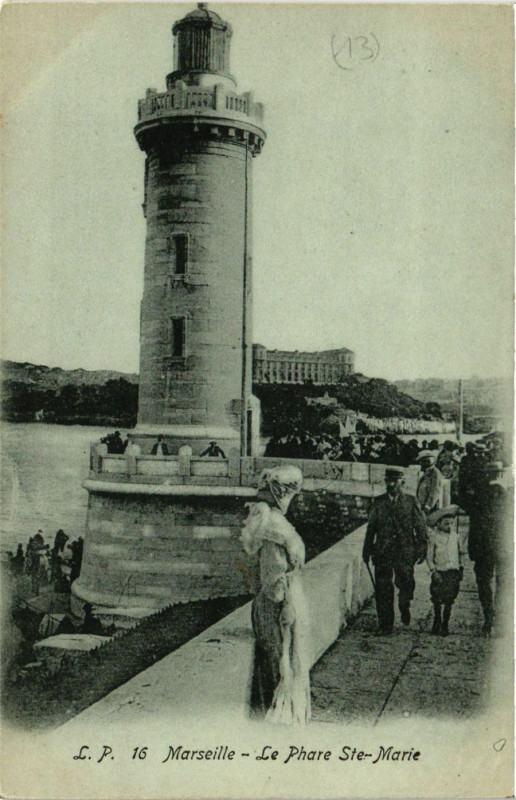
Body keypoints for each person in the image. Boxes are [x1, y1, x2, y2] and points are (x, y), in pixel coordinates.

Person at [242, 465, 310, 724]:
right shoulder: (279, 526)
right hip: (283, 599)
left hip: (274, 600)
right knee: (284, 659)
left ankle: (272, 714)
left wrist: (278, 599)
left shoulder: (270, 524)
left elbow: (273, 575)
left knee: (275, 660)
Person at [362, 467, 427, 634]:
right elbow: (371, 528)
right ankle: (386, 625)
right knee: (383, 589)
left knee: (406, 584)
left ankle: (404, 605)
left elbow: (420, 528)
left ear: (402, 483)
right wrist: (367, 549)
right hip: (383, 552)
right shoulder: (379, 502)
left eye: (394, 482)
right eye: (388, 481)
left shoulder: (411, 501)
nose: (390, 485)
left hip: (405, 552)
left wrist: (422, 547)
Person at [468, 460, 510, 636]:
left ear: (487, 474)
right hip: (504, 547)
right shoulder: (509, 496)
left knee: (484, 583)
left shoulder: (478, 495)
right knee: (503, 584)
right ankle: (499, 621)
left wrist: (471, 548)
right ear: (501, 474)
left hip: (482, 547)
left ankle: (488, 619)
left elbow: (474, 524)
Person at [426, 505, 466, 636]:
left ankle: (445, 624)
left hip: (452, 572)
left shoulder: (456, 537)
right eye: (445, 523)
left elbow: (460, 554)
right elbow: (429, 556)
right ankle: (437, 620)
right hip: (440, 572)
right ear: (438, 524)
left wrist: (461, 568)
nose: (449, 526)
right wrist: (433, 571)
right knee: (437, 598)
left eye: (450, 523)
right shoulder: (434, 538)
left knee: (449, 599)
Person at [416, 451, 444, 516]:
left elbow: (435, 491)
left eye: (422, 461)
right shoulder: (426, 473)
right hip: (423, 506)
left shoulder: (435, 473)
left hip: (430, 508)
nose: (420, 464)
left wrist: (428, 506)